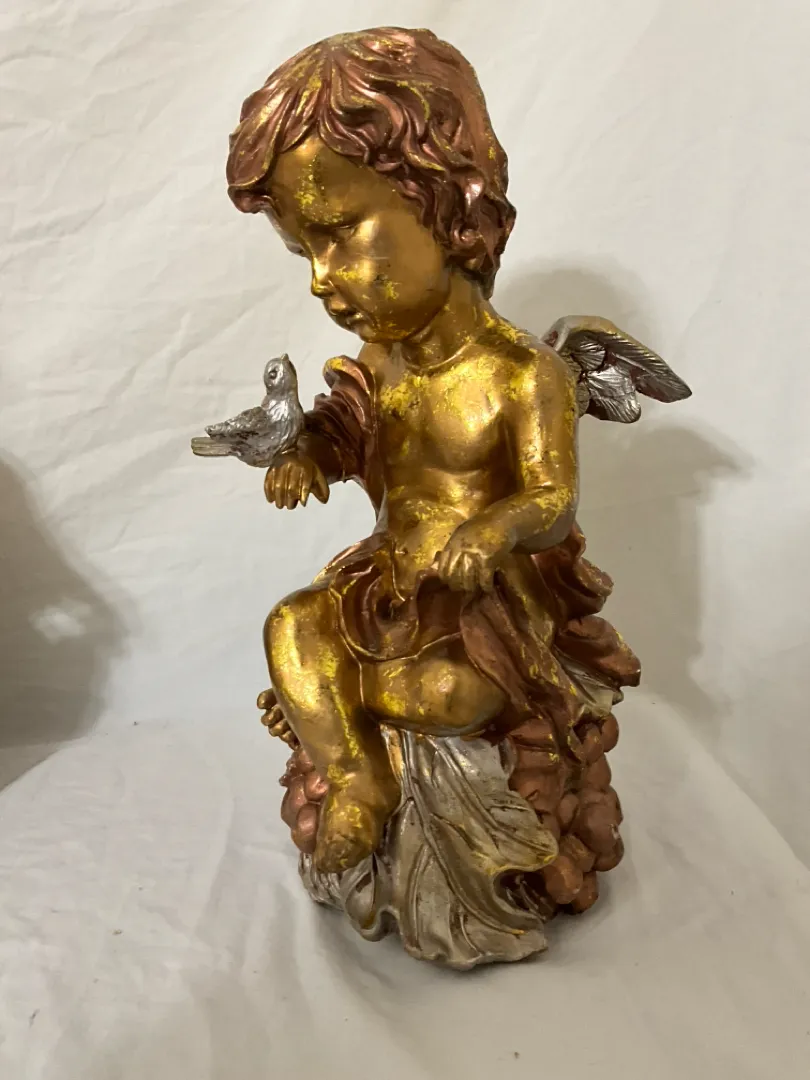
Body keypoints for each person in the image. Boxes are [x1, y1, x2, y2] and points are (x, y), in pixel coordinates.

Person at [227, 27, 639, 885]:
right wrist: (310, 453)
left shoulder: (522, 373)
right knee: (291, 626)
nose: (319, 278)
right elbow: (350, 436)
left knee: (449, 697)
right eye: (304, 251)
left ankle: (335, 714)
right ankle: (357, 776)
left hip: (480, 609)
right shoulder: (382, 364)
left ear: (448, 203)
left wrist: (494, 528)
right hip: (382, 590)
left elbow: (553, 500)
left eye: (339, 233)